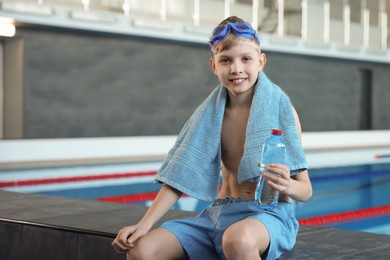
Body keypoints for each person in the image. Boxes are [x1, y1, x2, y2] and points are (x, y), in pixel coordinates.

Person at [112, 15, 312, 260]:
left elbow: (305, 191)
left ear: (260, 62)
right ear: (214, 66)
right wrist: (143, 225)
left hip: (267, 217)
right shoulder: (208, 115)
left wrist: (288, 185)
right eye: (225, 60)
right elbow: (179, 177)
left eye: (245, 59)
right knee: (141, 250)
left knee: (238, 240)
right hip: (216, 215)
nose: (236, 68)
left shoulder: (282, 112)